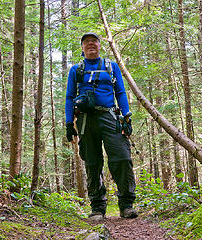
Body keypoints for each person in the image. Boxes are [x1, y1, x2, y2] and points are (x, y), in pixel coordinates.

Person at [65, 32, 138, 220]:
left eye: (94, 42)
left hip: (110, 116)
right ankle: (97, 207)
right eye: (87, 42)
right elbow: (69, 97)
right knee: (92, 162)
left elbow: (120, 92)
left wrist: (126, 115)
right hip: (86, 120)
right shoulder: (76, 70)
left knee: (122, 157)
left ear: (99, 46)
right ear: (82, 48)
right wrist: (68, 123)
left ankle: (126, 205)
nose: (91, 44)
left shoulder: (111, 67)